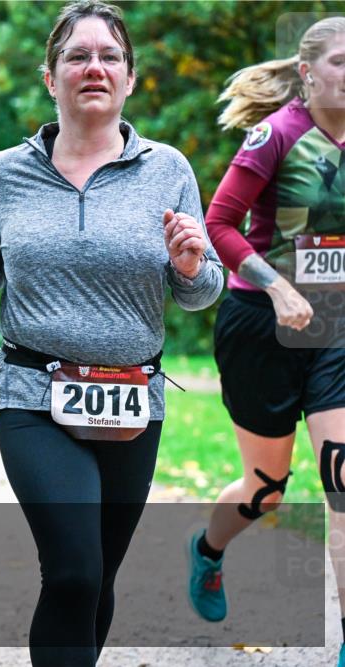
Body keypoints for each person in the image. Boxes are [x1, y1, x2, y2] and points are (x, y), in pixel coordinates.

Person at [0, 2, 223, 664]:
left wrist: (190, 264)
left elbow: (204, 288)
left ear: (131, 77)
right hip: (32, 391)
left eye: (109, 56)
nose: (94, 67)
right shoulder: (7, 171)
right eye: (78, 56)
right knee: (72, 568)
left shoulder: (169, 170)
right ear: (51, 77)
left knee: (97, 575)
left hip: (133, 398)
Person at [185, 16, 345, 665]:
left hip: (336, 331)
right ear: (307, 74)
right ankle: (208, 548)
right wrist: (277, 286)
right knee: (265, 488)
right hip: (262, 324)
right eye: (340, 61)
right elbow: (218, 223)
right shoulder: (276, 135)